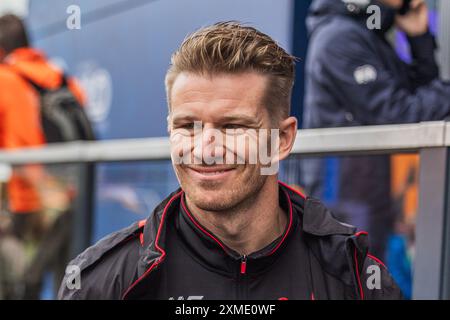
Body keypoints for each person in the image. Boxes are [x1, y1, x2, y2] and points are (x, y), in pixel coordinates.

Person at [59, 21, 402, 300]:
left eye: (233, 126)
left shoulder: (355, 279)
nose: (206, 149)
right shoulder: (103, 282)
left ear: (282, 139)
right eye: (187, 126)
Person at [302, 0, 450, 260]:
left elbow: (420, 94)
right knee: (351, 281)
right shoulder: (339, 37)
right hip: (346, 197)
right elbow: (400, 114)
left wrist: (419, 40)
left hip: (368, 194)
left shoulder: (364, 35)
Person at [0, 14, 86, 298]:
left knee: (19, 285)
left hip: (29, 202)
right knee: (68, 284)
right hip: (71, 197)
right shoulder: (61, 78)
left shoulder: (5, 79)